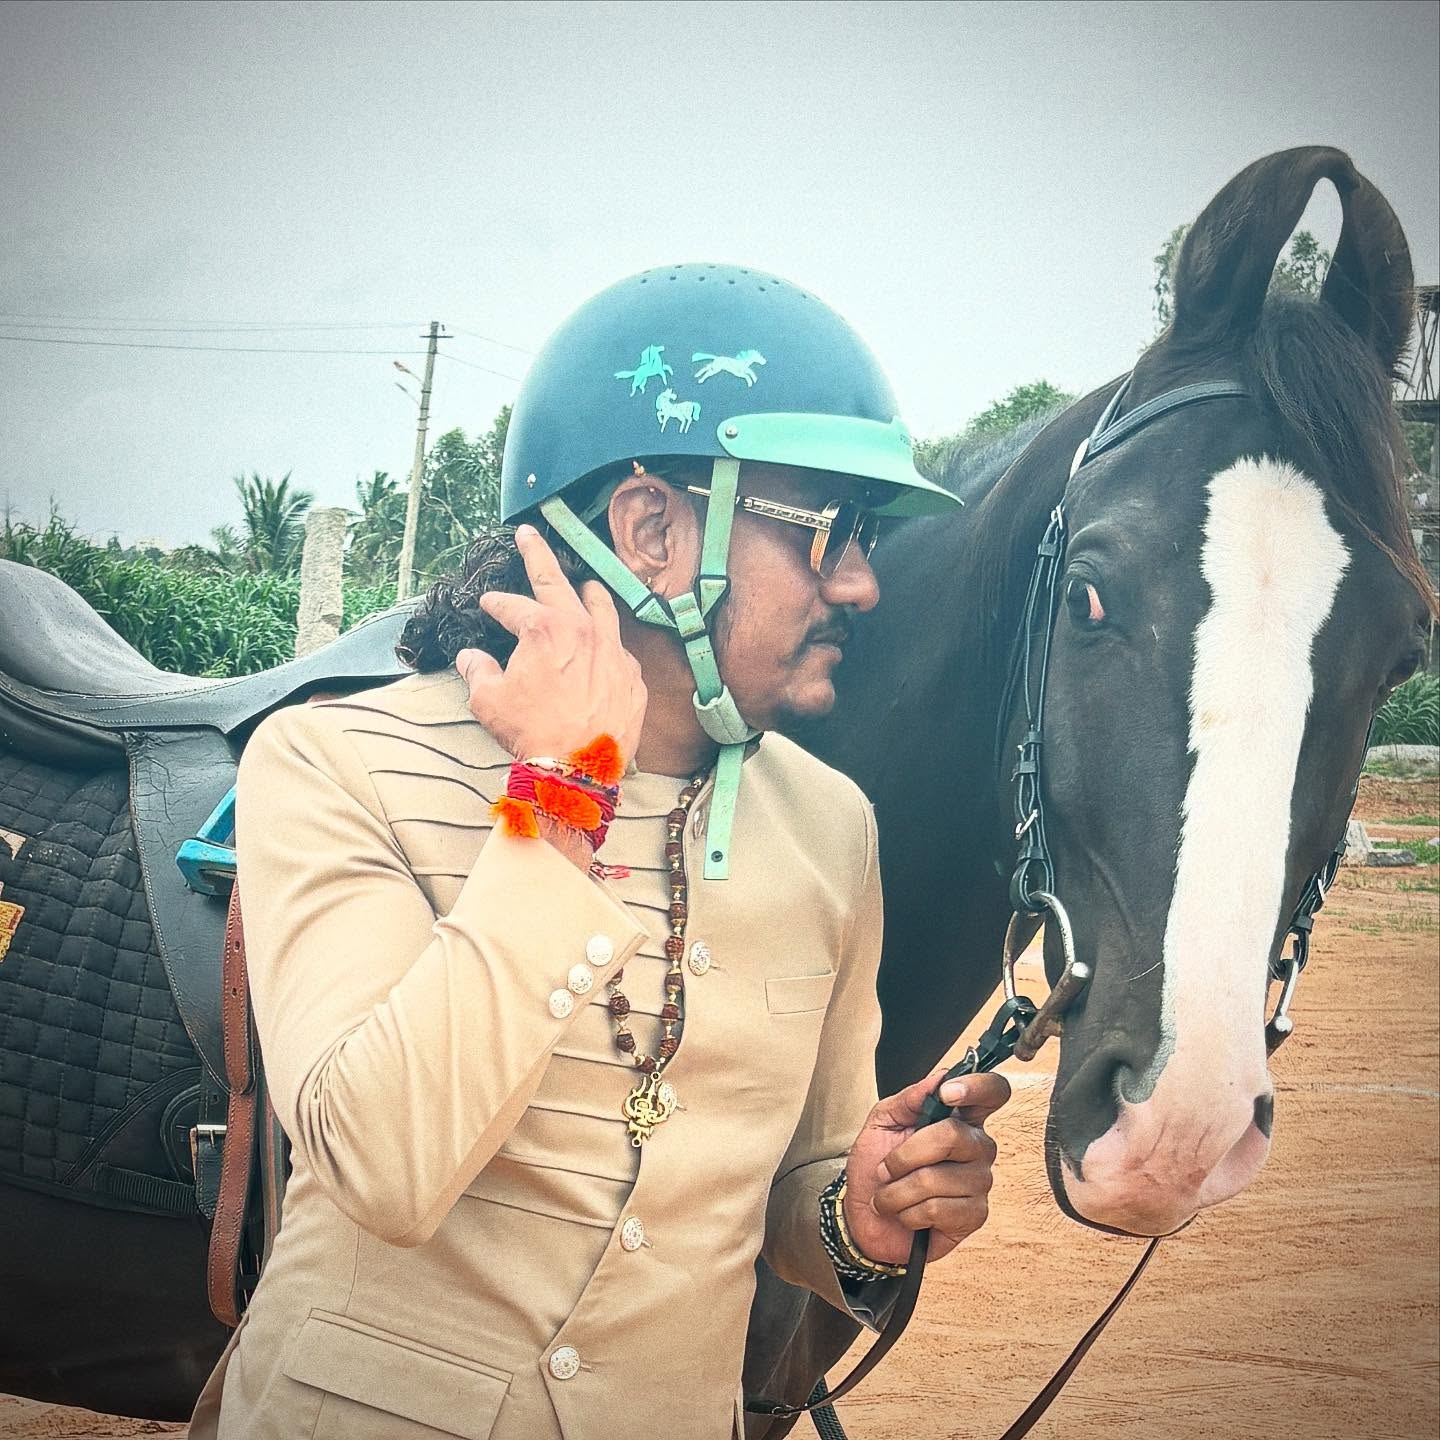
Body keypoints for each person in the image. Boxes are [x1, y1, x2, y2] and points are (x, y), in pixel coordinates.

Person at [188, 263, 1011, 1440]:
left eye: (868, 539)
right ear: (652, 531)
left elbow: (796, 1175)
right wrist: (563, 797)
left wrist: (857, 1213)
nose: (863, 584)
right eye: (832, 532)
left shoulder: (832, 828)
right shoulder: (336, 763)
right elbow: (383, 1168)